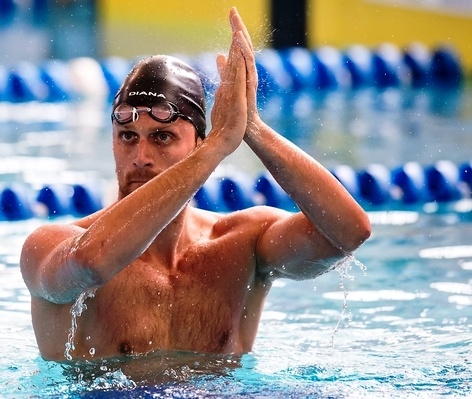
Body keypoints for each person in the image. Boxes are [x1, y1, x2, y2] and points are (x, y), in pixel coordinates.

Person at [20, 7, 371, 362]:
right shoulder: (50, 245)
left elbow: (347, 232)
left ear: (196, 143)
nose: (140, 155)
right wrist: (218, 146)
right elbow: (91, 263)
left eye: (162, 137)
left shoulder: (241, 244)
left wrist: (253, 129)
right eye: (127, 136)